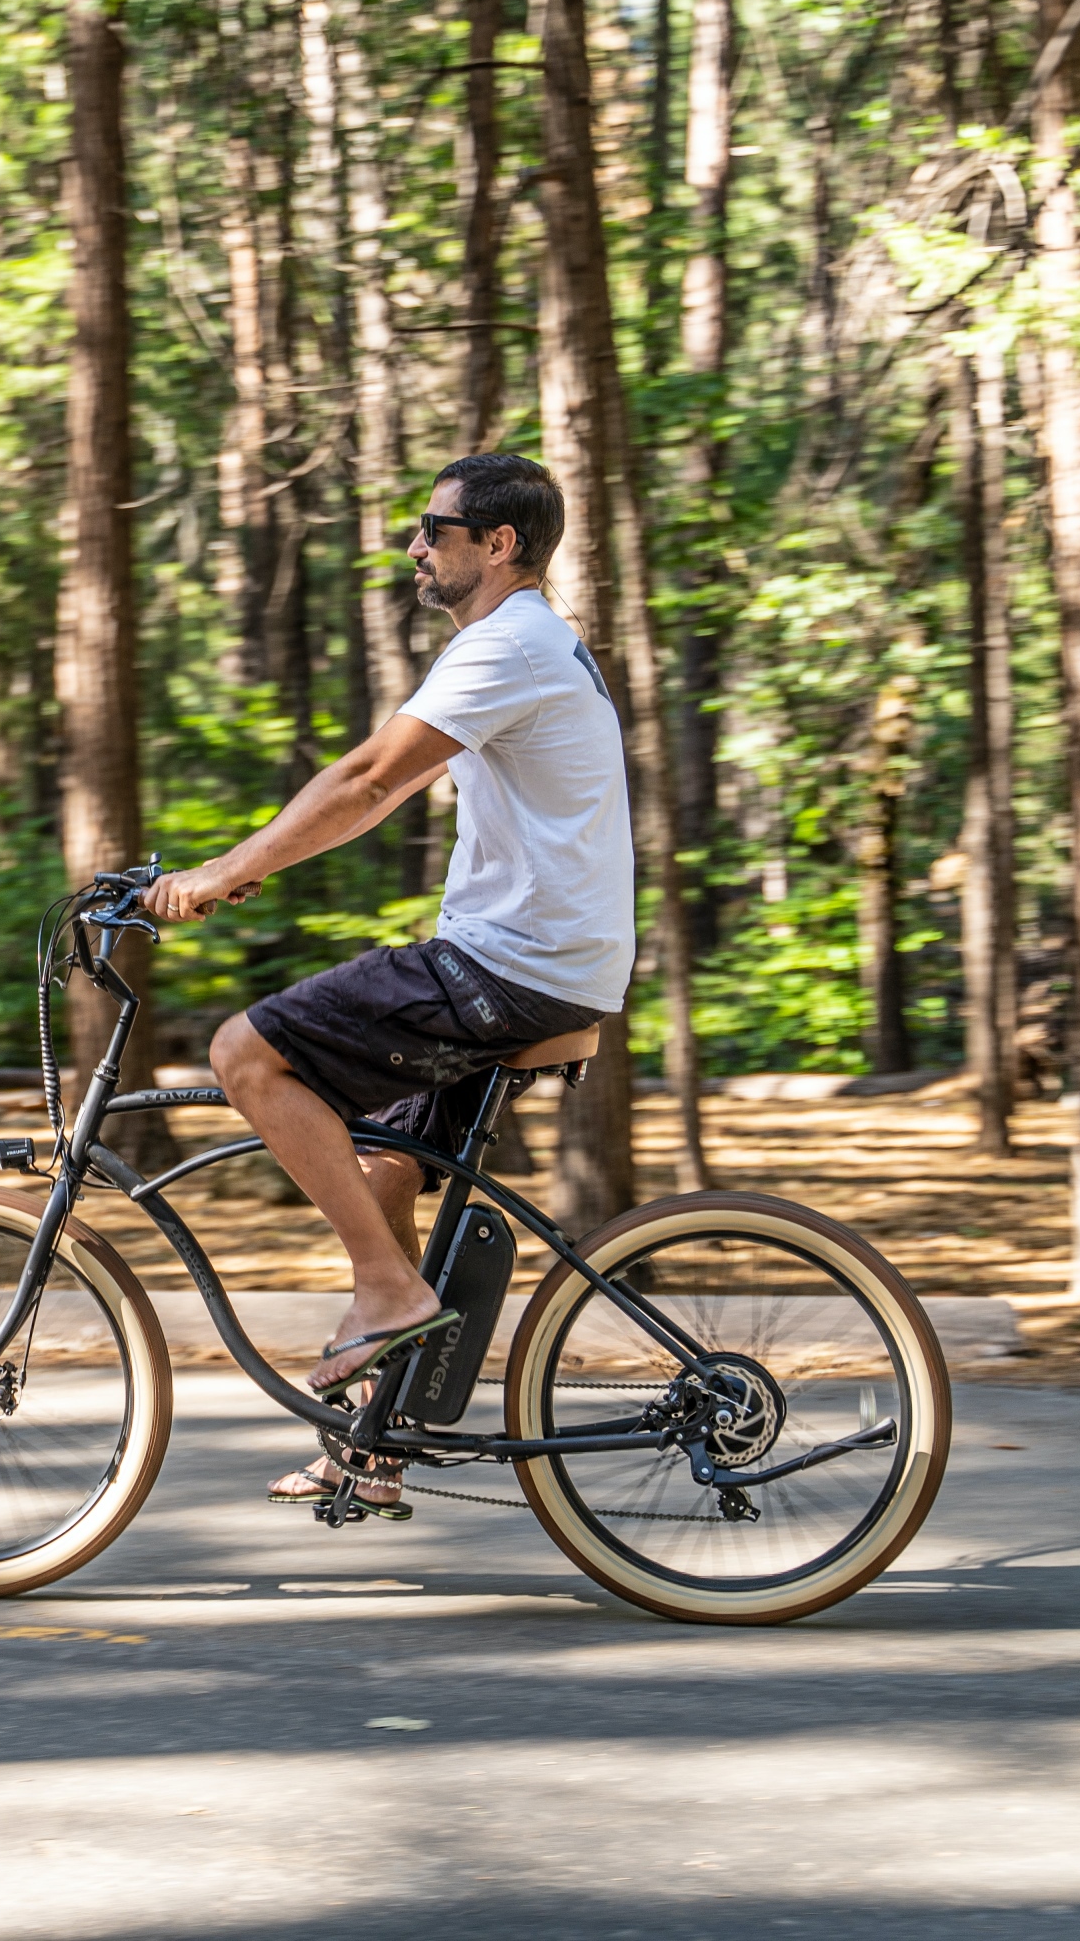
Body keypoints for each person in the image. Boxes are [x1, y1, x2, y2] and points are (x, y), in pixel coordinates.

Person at [143, 453, 634, 1518]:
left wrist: (227, 871)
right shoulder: (529, 644)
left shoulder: (510, 641)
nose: (417, 545)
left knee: (245, 1052)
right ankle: (372, 1441)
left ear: (497, 544)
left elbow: (371, 777)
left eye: (433, 527)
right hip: (542, 959)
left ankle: (389, 1288)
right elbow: (400, 780)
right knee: (385, 1168)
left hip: (514, 964)